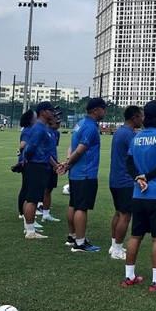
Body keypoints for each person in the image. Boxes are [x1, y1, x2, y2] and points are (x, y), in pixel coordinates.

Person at [122, 100, 156, 291]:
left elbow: (129, 162)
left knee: (135, 236)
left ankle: (129, 277)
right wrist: (148, 176)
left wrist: (138, 177)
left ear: (145, 117)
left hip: (139, 194)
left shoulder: (136, 138)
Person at [60, 97, 106, 253]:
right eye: (103, 108)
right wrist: (67, 164)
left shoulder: (80, 124)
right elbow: (79, 149)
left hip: (76, 172)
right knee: (81, 208)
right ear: (95, 110)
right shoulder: (90, 127)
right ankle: (80, 243)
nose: (104, 111)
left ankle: (72, 236)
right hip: (85, 173)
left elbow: (71, 147)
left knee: (73, 204)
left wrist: (68, 163)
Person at [108, 105, 143, 260]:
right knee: (125, 215)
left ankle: (113, 245)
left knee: (118, 212)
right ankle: (117, 249)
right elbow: (136, 157)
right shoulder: (129, 135)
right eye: (140, 116)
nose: (142, 119)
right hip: (125, 180)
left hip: (115, 179)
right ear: (134, 117)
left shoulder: (120, 132)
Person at [20, 102, 58, 240]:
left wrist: (55, 165)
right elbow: (30, 149)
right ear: (43, 112)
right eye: (51, 110)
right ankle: (30, 231)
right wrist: (29, 161)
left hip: (41, 165)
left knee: (31, 198)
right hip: (36, 166)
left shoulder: (44, 128)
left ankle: (28, 226)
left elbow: (46, 152)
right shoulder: (39, 129)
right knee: (33, 199)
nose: (53, 113)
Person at [15, 110, 42, 230]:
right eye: (35, 116)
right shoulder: (28, 130)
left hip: (28, 161)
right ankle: (22, 212)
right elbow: (22, 145)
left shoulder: (32, 129)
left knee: (27, 187)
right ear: (31, 119)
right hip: (26, 162)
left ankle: (27, 214)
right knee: (26, 188)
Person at [39, 109, 62, 223]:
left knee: (49, 189)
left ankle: (46, 213)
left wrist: (57, 163)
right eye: (56, 122)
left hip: (53, 164)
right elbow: (44, 152)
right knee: (43, 189)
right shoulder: (44, 131)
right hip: (46, 164)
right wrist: (54, 164)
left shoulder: (56, 133)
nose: (58, 124)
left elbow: (53, 150)